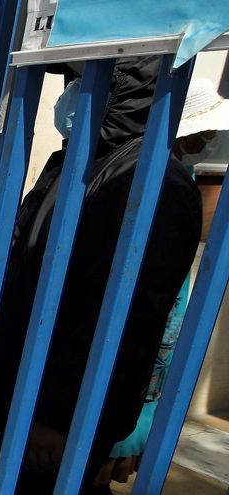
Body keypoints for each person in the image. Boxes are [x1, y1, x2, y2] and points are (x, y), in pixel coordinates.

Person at [0, 56, 203, 495]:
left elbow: (124, 320)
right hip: (22, 391)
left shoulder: (151, 181)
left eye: (83, 81)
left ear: (125, 90)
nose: (69, 96)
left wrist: (59, 418)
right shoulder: (82, 161)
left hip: (56, 416)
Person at [95, 78, 228, 487]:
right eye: (205, 128)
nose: (210, 135)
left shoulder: (171, 172)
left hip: (154, 331)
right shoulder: (161, 179)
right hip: (141, 332)